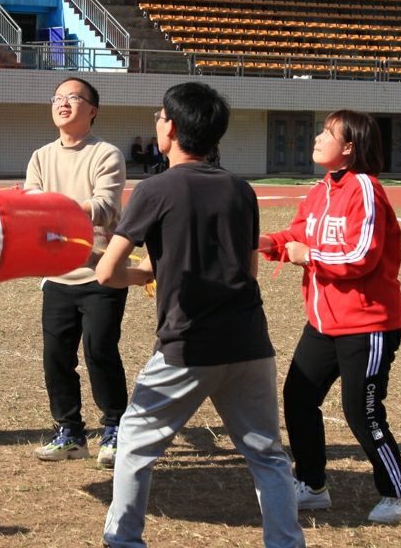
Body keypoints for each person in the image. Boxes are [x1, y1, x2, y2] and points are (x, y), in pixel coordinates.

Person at [96, 82, 304, 548]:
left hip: (188, 345)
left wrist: (145, 274)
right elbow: (246, 271)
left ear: (169, 128)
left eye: (158, 117)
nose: (157, 124)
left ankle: (123, 539)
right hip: (250, 342)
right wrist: (159, 269)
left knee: (133, 443)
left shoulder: (153, 189)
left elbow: (108, 272)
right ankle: (286, 543)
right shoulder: (240, 189)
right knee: (267, 455)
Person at [259, 110, 401, 524]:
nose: (316, 137)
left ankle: (397, 494)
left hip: (368, 325)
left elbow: (362, 256)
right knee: (298, 397)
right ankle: (311, 485)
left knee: (362, 412)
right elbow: (297, 234)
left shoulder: (365, 188)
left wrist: (310, 257)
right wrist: (265, 242)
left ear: (349, 147)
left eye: (327, 133)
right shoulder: (322, 188)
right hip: (324, 323)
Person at [28, 78, 127, 467]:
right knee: (56, 356)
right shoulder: (41, 156)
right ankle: (69, 432)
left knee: (100, 351)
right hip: (57, 275)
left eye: (73, 97)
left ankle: (116, 428)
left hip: (100, 272)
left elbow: (105, 206)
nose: (63, 103)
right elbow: (31, 209)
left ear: (92, 109)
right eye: (57, 98)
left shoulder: (107, 154)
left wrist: (54, 207)